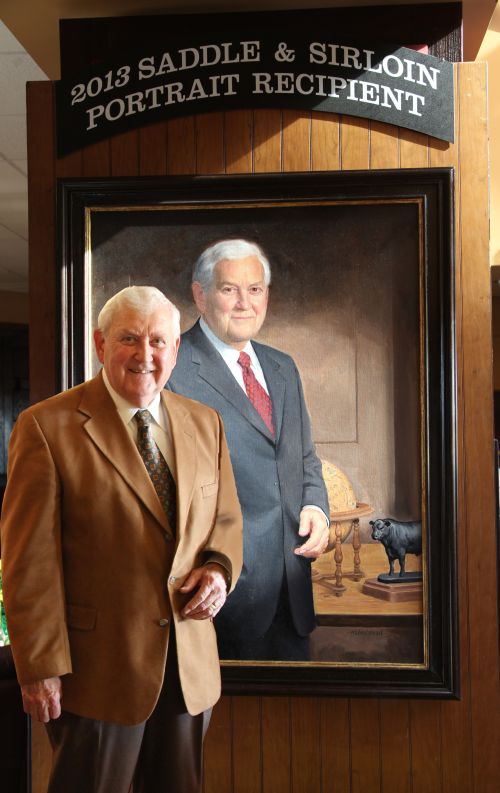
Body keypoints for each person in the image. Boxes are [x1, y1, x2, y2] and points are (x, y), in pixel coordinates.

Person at [0, 286, 243, 793]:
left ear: (176, 349)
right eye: (129, 338)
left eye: (158, 340)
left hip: (187, 670)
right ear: (100, 343)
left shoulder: (206, 425)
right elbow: (28, 562)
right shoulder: (46, 428)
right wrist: (38, 667)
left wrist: (219, 569)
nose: (145, 354)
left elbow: (225, 522)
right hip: (94, 675)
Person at [169, 239, 329, 662]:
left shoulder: (282, 367)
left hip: (291, 591)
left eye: (255, 289)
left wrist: (317, 507)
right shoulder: (171, 369)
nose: (244, 303)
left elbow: (303, 457)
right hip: (221, 599)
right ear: (200, 296)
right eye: (229, 289)